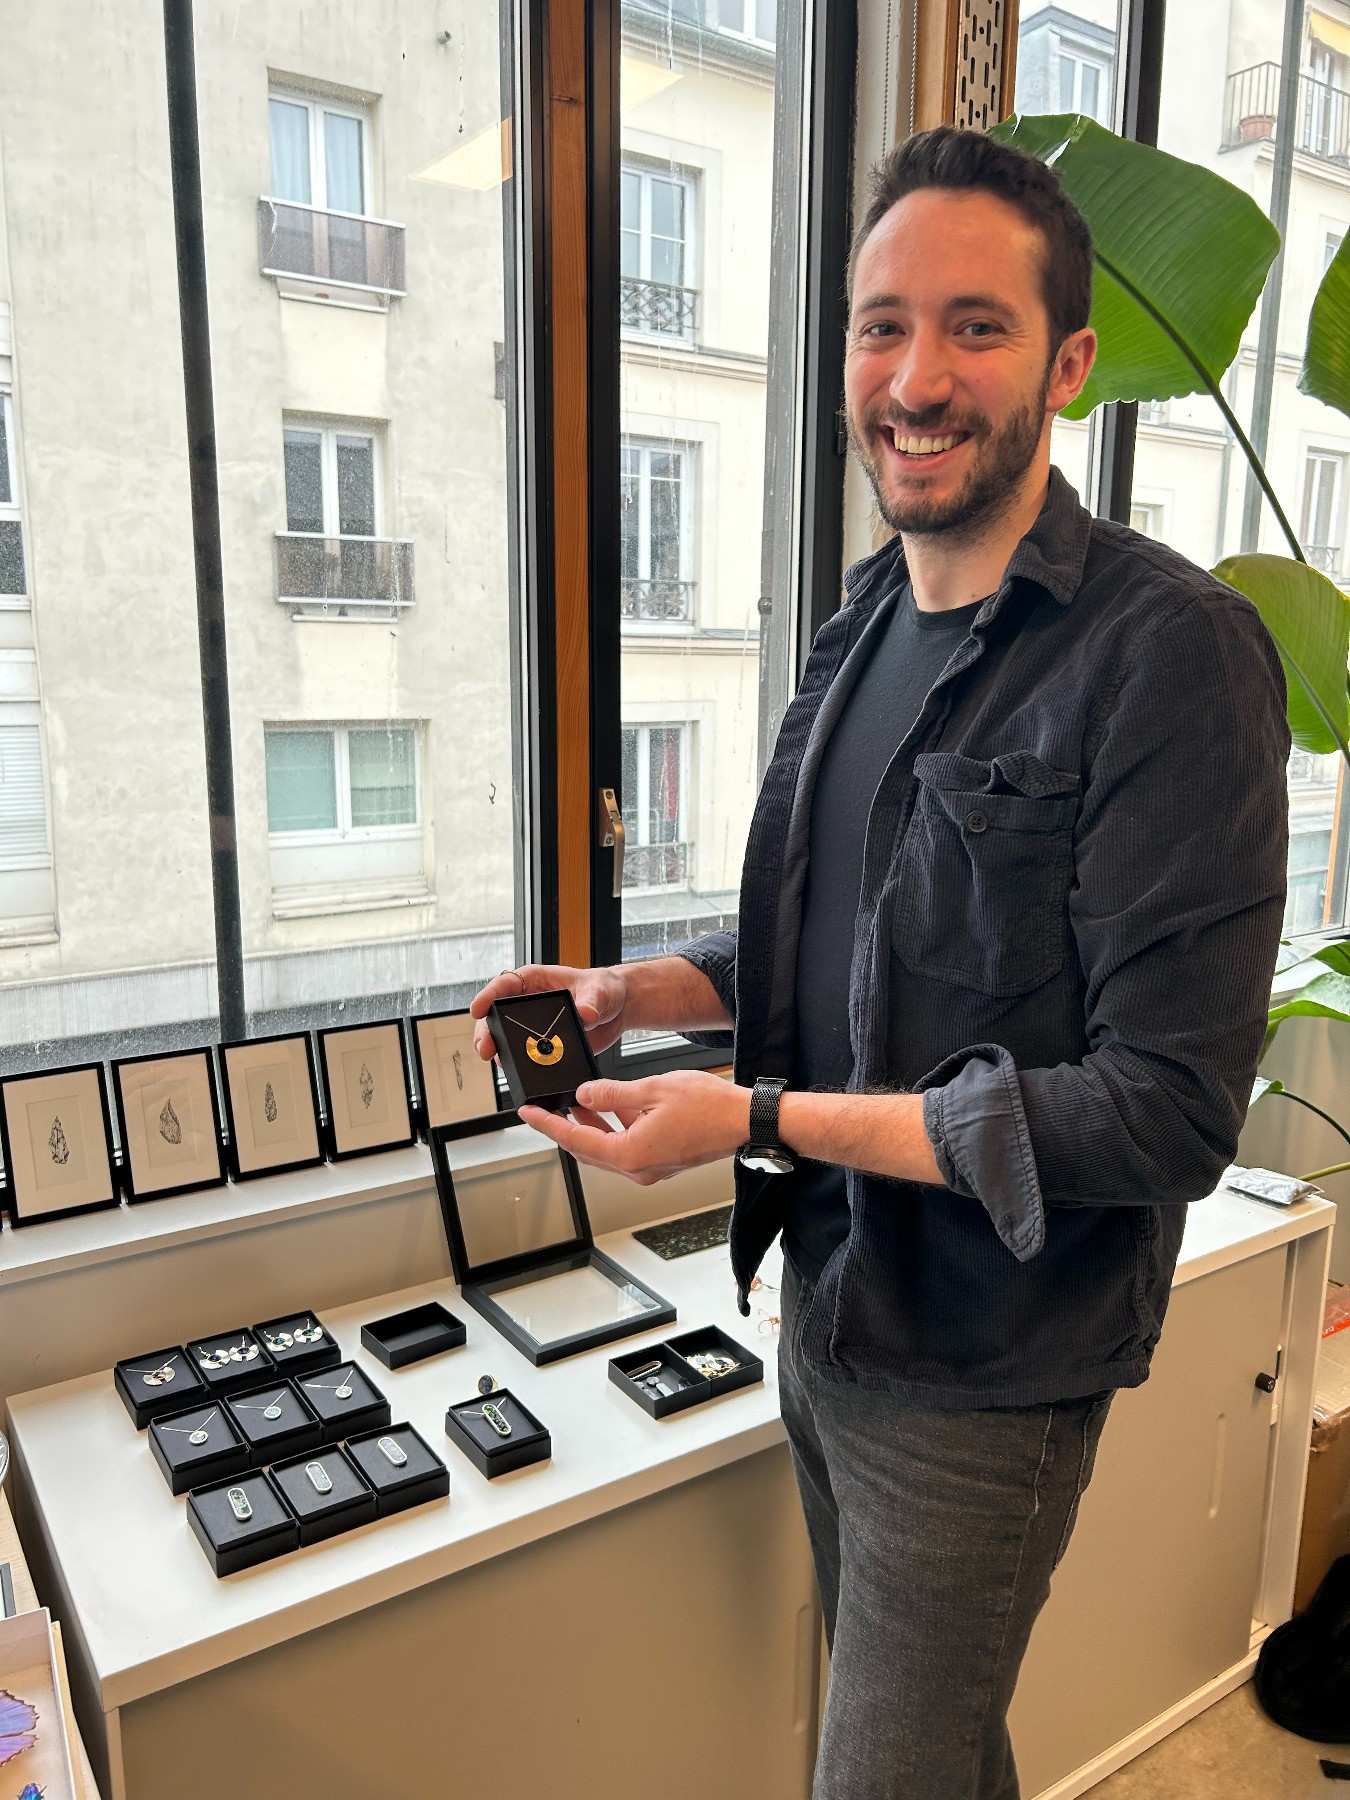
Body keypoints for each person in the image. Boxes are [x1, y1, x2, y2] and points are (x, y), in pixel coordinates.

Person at [470, 126, 1290, 1800]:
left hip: (987, 1360)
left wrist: (754, 1117)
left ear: (1067, 362)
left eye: (973, 328)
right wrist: (643, 998)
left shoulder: (1170, 654)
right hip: (827, 1305)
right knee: (929, 1755)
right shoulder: (858, 624)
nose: (914, 377)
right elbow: (840, 937)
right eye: (878, 324)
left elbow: (1162, 1116)